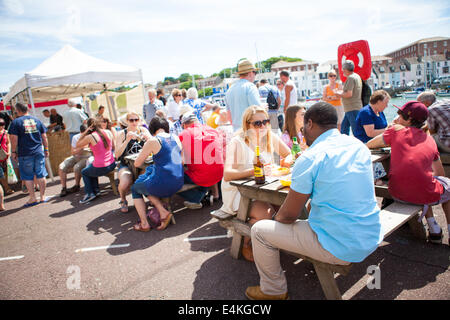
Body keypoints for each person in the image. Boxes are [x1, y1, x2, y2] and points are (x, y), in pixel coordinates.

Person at [245, 102, 382, 300]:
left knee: (259, 231)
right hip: (370, 235)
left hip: (341, 246)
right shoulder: (358, 146)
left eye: (303, 128)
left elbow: (288, 215)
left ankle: (273, 290)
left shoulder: (310, 157)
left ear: (310, 124)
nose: (303, 133)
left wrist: (275, 224)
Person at [367, 101, 450, 245]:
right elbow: (440, 173)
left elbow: (370, 144)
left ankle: (433, 226)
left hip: (398, 193)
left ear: (409, 119)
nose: (397, 116)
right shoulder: (430, 139)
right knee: (439, 183)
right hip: (422, 193)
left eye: (400, 114)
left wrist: (392, 129)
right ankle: (439, 228)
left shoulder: (395, 131)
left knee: (423, 183)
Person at [220, 105, 292, 262]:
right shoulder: (237, 142)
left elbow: (288, 154)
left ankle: (273, 240)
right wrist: (254, 171)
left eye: (265, 121)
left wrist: (287, 161)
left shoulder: (269, 137)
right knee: (265, 214)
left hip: (264, 188)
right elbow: (227, 175)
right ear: (247, 125)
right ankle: (246, 243)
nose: (263, 126)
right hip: (239, 192)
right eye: (257, 123)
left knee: (287, 207)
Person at [131, 116, 184, 232]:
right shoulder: (175, 137)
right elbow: (182, 160)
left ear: (152, 129)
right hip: (179, 181)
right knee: (145, 182)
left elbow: (137, 163)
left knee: (136, 188)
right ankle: (162, 211)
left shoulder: (153, 141)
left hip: (164, 184)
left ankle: (144, 223)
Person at [178, 112, 224, 209]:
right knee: (206, 165)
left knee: (174, 176)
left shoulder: (185, 133)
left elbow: (180, 161)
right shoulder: (212, 130)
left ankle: (198, 197)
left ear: (184, 125)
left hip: (202, 176)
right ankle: (214, 195)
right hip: (220, 173)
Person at [9, 102, 49, 207]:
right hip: (38, 151)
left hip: (25, 153)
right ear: (28, 109)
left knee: (28, 176)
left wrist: (13, 151)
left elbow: (14, 138)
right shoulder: (37, 120)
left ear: (17, 110)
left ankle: (32, 198)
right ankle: (42, 196)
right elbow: (44, 136)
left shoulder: (16, 122)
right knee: (41, 174)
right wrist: (46, 149)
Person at [115, 112, 151, 213]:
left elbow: (154, 144)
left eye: (136, 120)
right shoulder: (122, 133)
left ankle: (152, 198)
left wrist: (148, 139)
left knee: (146, 179)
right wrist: (126, 140)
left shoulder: (143, 130)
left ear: (139, 121)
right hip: (126, 164)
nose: (134, 122)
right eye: (131, 120)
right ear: (127, 122)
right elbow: (117, 154)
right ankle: (123, 199)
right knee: (125, 182)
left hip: (142, 164)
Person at [76, 118, 116, 204]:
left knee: (84, 172)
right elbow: (114, 147)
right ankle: (96, 190)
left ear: (89, 126)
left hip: (101, 167)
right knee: (91, 166)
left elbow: (77, 144)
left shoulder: (91, 136)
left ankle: (89, 194)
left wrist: (86, 132)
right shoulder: (108, 132)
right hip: (112, 164)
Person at [58, 120, 94, 197]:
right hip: (76, 156)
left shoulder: (91, 137)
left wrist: (80, 147)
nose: (83, 136)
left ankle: (77, 185)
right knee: (62, 166)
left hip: (86, 157)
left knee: (77, 167)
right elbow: (73, 152)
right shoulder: (75, 137)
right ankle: (64, 188)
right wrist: (81, 147)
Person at [225, 59, 261, 131]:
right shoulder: (250, 87)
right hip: (251, 132)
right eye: (255, 72)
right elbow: (257, 112)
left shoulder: (229, 90)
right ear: (251, 73)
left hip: (236, 133)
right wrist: (263, 108)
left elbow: (229, 117)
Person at [334, 60, 363, 136]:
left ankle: (360, 145)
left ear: (345, 69)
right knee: (344, 128)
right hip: (353, 107)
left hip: (352, 108)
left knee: (355, 130)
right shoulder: (357, 76)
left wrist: (337, 93)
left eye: (343, 69)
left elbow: (349, 94)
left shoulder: (350, 78)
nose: (342, 71)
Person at [0, 119, 13, 196]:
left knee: (6, 171)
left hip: (5, 155)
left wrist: (9, 151)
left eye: (2, 125)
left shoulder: (5, 132)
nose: (1, 127)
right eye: (0, 125)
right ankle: (7, 188)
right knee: (1, 173)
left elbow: (8, 142)